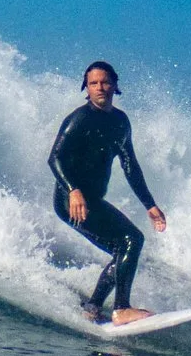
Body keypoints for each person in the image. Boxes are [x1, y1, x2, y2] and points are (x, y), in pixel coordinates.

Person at [48, 61, 167, 323]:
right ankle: (121, 309)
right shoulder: (79, 119)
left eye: (104, 82)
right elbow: (55, 158)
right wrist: (73, 190)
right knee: (131, 240)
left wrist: (150, 205)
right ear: (86, 88)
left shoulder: (120, 122)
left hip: (93, 200)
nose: (100, 87)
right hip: (71, 202)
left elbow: (129, 165)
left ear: (114, 85)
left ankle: (93, 306)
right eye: (93, 83)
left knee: (124, 247)